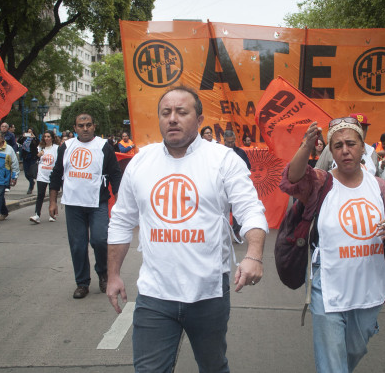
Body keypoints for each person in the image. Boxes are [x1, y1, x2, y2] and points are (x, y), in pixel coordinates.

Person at [106, 85, 268, 372]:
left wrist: (254, 254)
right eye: (166, 112)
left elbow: (250, 209)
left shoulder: (223, 160)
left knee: (213, 366)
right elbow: (121, 219)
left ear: (200, 119)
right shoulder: (141, 161)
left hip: (208, 294)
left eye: (182, 112)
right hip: (155, 295)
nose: (172, 118)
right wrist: (114, 274)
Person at [281, 119, 385, 373]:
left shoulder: (380, 187)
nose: (345, 150)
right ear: (331, 152)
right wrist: (305, 145)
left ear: (362, 148)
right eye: (338, 145)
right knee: (333, 361)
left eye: (351, 144)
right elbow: (292, 179)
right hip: (327, 283)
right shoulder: (320, 182)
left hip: (369, 284)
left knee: (355, 348)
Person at [49, 113, 122, 299]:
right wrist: (52, 201)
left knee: (99, 239)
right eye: (81, 125)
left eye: (89, 124)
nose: (85, 128)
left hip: (97, 202)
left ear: (94, 126)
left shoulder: (104, 146)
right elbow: (56, 173)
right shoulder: (66, 146)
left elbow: (115, 173)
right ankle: (82, 283)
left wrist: (121, 200)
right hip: (73, 204)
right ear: (75, 128)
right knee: (77, 245)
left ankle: (103, 272)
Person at [223, 129, 252, 244]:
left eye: (233, 141)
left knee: (236, 210)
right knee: (222, 209)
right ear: (224, 140)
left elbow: (248, 167)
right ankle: (222, 232)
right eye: (228, 142)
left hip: (236, 185)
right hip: (222, 185)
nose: (231, 144)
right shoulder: (219, 152)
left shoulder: (240, 152)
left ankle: (236, 232)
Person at [30, 131, 58, 224]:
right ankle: (37, 215)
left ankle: (52, 215)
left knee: (52, 195)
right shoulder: (40, 147)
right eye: (45, 136)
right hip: (42, 175)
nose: (46, 138)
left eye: (48, 136)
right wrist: (38, 155)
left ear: (52, 138)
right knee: (40, 195)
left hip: (52, 175)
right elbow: (34, 157)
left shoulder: (56, 148)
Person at [18, 127, 39, 194]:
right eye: (28, 132)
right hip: (25, 157)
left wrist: (34, 137)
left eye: (31, 132)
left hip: (32, 157)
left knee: (31, 172)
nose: (29, 133)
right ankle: (31, 182)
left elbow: (38, 143)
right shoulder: (24, 139)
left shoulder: (34, 139)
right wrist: (22, 136)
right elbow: (19, 141)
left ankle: (30, 187)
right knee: (26, 173)